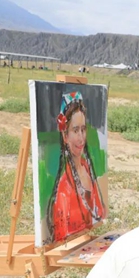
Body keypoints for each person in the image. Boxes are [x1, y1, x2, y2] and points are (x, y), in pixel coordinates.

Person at [46, 91, 105, 244]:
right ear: (65, 136)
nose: (81, 137)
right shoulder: (64, 190)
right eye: (75, 130)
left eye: (83, 129)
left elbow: (99, 213)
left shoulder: (87, 167)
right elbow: (62, 243)